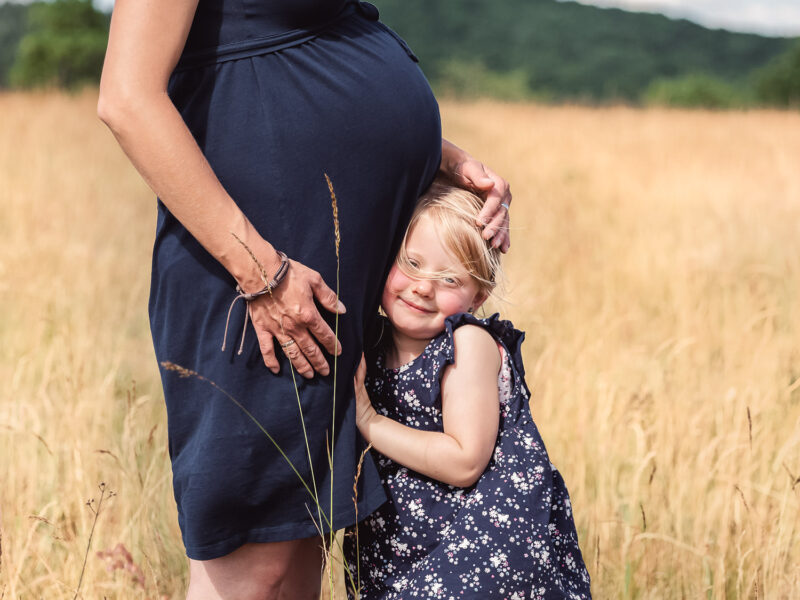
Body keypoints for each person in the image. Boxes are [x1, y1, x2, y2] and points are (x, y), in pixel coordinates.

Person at [97, 0, 512, 598]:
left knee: (298, 546)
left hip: (325, 275)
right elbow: (127, 98)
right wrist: (261, 272)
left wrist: (445, 160)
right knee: (254, 560)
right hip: (259, 270)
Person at [344, 181, 591, 599]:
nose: (423, 286)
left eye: (448, 278)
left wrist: (368, 421)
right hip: (403, 546)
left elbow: (464, 461)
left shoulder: (466, 345)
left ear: (479, 295)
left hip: (479, 544)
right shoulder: (373, 338)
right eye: (412, 262)